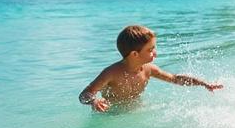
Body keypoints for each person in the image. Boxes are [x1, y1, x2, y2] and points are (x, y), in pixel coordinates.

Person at [79, 25, 222, 111]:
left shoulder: (148, 69)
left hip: (137, 111)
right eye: (150, 50)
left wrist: (203, 83)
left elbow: (175, 79)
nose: (155, 53)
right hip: (111, 115)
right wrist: (94, 101)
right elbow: (85, 94)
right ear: (135, 54)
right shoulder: (111, 73)